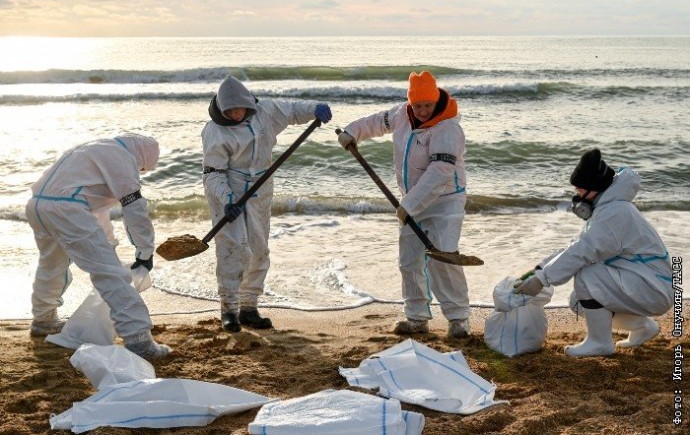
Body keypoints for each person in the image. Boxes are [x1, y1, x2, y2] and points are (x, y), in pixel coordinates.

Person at [337, 71, 471, 339]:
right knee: (409, 261)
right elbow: (376, 122)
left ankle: (458, 319)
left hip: (445, 202)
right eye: (417, 105)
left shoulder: (448, 127)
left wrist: (409, 204)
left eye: (427, 105)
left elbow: (440, 171)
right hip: (411, 201)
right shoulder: (402, 114)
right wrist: (352, 131)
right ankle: (417, 317)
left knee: (442, 259)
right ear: (410, 102)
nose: (422, 110)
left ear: (436, 101)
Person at [202, 75, 332, 333]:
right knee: (232, 249)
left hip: (261, 188)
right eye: (229, 111)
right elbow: (212, 172)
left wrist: (315, 108)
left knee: (259, 248)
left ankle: (248, 307)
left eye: (238, 108)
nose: (235, 113)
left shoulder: (266, 112)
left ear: (248, 104)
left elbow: (294, 110)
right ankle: (228, 309)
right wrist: (227, 199)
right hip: (230, 190)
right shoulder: (214, 131)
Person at [514, 148, 673, 357]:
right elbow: (576, 246)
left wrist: (542, 279)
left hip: (652, 287)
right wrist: (536, 271)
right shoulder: (608, 208)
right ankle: (642, 326)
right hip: (644, 283)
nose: (577, 195)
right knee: (578, 301)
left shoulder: (615, 212)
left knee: (587, 275)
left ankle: (600, 342)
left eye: (580, 189)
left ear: (595, 188)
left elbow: (582, 251)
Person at [26, 133, 171, 360]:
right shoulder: (122, 157)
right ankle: (139, 341)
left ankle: (43, 320)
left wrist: (109, 244)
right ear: (142, 156)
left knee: (51, 265)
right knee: (111, 274)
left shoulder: (94, 149)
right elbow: (134, 206)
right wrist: (144, 250)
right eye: (142, 168)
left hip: (38, 205)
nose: (140, 172)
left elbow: (94, 204)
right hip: (67, 208)